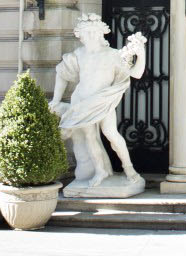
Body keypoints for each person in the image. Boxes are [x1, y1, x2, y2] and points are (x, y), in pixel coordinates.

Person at [50, 13, 147, 197]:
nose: (92, 36)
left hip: (103, 101)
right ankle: (100, 171)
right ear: (81, 35)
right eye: (88, 33)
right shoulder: (78, 54)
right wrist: (56, 99)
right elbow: (61, 73)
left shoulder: (113, 55)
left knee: (111, 134)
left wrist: (140, 54)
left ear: (102, 34)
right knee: (90, 137)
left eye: (95, 32)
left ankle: (130, 170)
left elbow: (136, 74)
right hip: (82, 102)